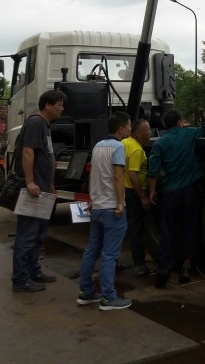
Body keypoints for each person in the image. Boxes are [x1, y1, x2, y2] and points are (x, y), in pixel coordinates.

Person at [148, 110, 205, 288]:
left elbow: (153, 171)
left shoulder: (160, 143)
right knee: (190, 226)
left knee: (167, 230)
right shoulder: (188, 133)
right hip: (190, 191)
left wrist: (152, 191)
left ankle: (163, 271)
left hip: (170, 193)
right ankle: (186, 266)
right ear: (179, 122)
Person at [11, 89, 66, 293]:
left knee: (39, 234)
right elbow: (28, 152)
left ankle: (33, 271)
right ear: (48, 105)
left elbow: (46, 155)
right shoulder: (35, 123)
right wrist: (30, 181)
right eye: (59, 105)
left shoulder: (45, 125)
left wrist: (49, 182)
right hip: (33, 190)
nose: (62, 109)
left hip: (42, 189)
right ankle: (20, 279)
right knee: (27, 235)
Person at [77, 111, 133, 310]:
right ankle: (108, 298)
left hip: (98, 207)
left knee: (92, 250)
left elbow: (93, 174)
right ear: (121, 129)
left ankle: (86, 292)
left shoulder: (98, 146)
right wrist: (121, 202)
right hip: (112, 209)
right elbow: (118, 176)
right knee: (109, 254)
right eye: (129, 126)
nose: (130, 129)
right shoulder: (118, 147)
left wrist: (92, 199)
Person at [123, 118, 153, 276]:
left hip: (124, 190)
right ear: (138, 134)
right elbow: (133, 175)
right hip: (134, 193)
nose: (150, 132)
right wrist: (142, 196)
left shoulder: (124, 143)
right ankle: (140, 266)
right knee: (137, 229)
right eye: (147, 130)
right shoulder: (137, 150)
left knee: (126, 227)